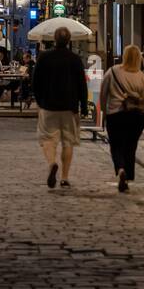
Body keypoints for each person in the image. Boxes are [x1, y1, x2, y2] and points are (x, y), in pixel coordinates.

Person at [31, 25, 87, 190]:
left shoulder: (44, 57)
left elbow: (36, 82)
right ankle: (64, 177)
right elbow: (81, 84)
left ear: (54, 39)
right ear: (69, 40)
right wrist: (83, 105)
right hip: (69, 107)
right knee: (68, 141)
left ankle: (52, 163)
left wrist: (40, 101)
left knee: (48, 139)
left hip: (48, 105)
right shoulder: (75, 59)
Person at [100, 45, 144, 192]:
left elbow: (103, 92)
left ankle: (120, 169)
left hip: (115, 115)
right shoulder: (142, 77)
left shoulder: (112, 72)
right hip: (136, 117)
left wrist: (104, 111)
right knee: (131, 146)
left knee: (116, 145)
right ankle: (128, 176)